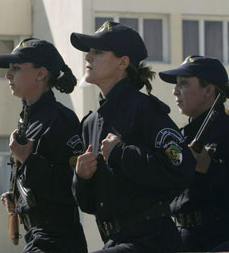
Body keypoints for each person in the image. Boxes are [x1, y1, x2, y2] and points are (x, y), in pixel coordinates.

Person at [70, 21, 196, 253]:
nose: (88, 57)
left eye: (98, 52)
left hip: (151, 241)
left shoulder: (145, 110)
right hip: (114, 240)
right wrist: (81, 178)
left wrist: (121, 153)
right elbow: (89, 205)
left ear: (123, 62)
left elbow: (181, 168)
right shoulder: (90, 124)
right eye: (89, 52)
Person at [0, 38, 88, 253]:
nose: (8, 75)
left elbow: (73, 187)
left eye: (16, 68)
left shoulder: (60, 120)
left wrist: (30, 160)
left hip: (58, 238)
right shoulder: (29, 120)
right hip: (37, 236)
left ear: (40, 74)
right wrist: (19, 199)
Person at [159, 55, 229, 252]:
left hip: (218, 238)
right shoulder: (180, 136)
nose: (175, 91)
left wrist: (209, 167)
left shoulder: (226, 129)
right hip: (180, 237)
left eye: (184, 84)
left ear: (209, 90)